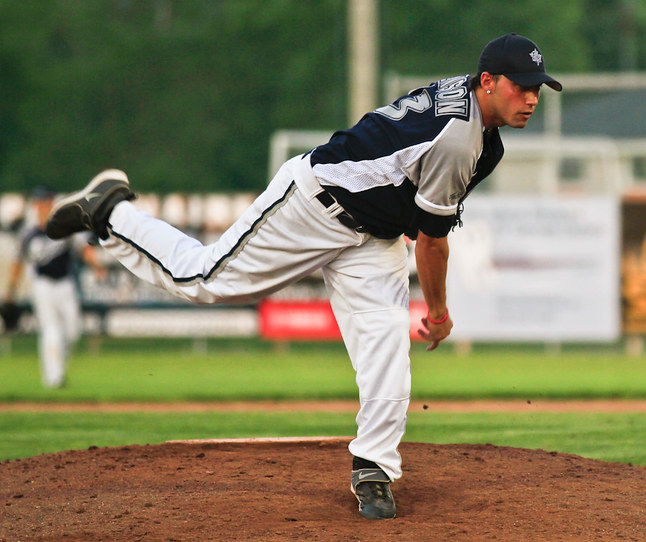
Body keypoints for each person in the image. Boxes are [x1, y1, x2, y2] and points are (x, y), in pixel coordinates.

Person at [45, 33, 561, 519]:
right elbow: (431, 241)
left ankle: (374, 468)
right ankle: (112, 213)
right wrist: (440, 312)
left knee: (386, 345)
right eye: (521, 86)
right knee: (204, 279)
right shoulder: (460, 138)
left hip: (371, 235)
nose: (531, 98)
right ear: (488, 81)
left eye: (537, 88)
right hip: (314, 203)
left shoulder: (479, 128)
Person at [3, 186, 105, 389]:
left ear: (52, 203)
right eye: (40, 202)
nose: (43, 206)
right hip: (42, 286)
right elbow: (17, 262)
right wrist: (10, 291)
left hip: (65, 284)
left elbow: (84, 248)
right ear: (35, 205)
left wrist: (96, 266)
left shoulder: (63, 226)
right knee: (50, 330)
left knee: (73, 330)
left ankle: (58, 367)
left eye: (46, 202)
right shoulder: (28, 233)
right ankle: (53, 378)